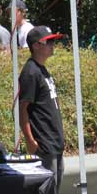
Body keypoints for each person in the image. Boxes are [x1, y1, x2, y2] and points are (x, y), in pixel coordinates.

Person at [18, 26, 66, 183]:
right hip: (44, 143)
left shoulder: (42, 70)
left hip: (54, 141)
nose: (53, 45)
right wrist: (30, 140)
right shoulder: (30, 72)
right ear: (36, 45)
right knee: (45, 191)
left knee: (54, 190)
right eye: (49, 42)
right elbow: (23, 108)